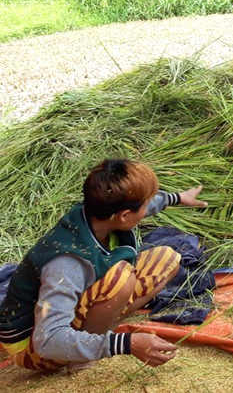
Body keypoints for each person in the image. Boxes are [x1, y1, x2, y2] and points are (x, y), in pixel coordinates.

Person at [0, 159, 208, 371]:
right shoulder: (67, 262)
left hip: (64, 317)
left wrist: (179, 197)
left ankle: (98, 330)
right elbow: (48, 341)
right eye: (144, 206)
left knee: (167, 259)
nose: (147, 209)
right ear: (124, 216)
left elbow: (144, 204)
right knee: (121, 278)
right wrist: (126, 344)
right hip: (34, 345)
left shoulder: (99, 211)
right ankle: (79, 359)